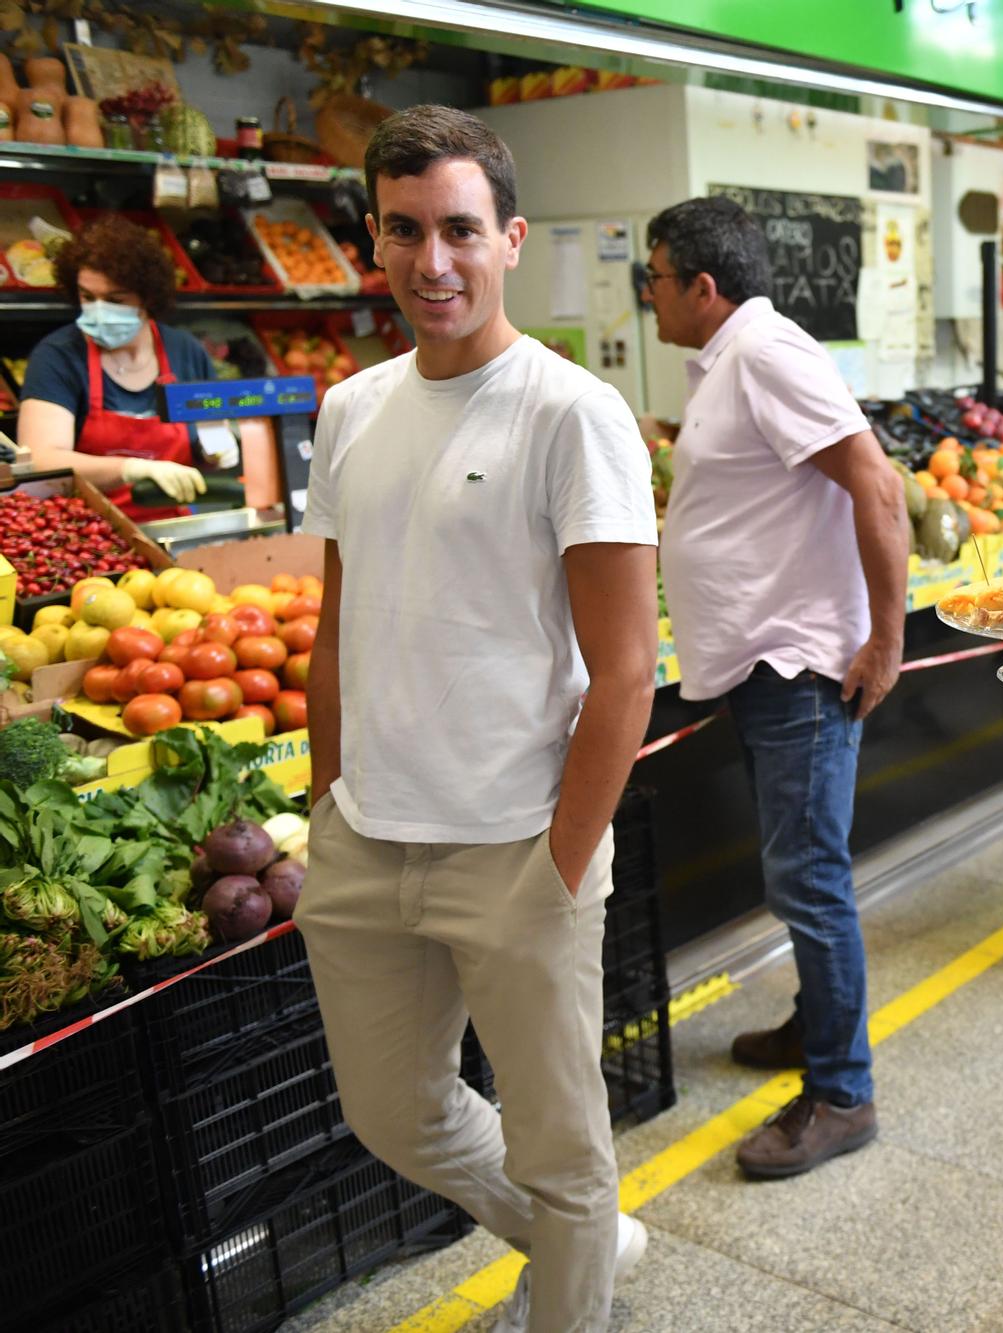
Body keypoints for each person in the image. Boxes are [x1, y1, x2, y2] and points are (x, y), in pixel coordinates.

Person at [295, 107, 659, 1333]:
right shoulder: (348, 410)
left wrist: (560, 860)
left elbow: (624, 671)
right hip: (366, 840)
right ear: (375, 240)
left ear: (508, 240)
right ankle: (584, 1250)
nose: (430, 262)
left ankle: (574, 1284)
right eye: (403, 231)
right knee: (393, 1110)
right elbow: (340, 623)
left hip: (514, 841)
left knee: (562, 1154)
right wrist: (324, 796)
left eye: (458, 230)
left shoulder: (571, 414)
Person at [647, 196, 908, 1177]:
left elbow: (875, 486)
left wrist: (882, 640)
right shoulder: (730, 362)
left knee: (809, 881)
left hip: (799, 669)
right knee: (797, 877)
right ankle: (814, 1030)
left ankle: (841, 1094)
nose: (649, 294)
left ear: (703, 288)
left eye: (657, 277)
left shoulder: (764, 352)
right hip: (765, 667)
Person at [18, 216, 272, 520]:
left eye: (115, 300)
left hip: (171, 525)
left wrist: (214, 450)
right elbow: (42, 459)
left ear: (147, 297)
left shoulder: (186, 352)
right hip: (85, 536)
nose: (98, 310)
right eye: (88, 297)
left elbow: (206, 435)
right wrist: (129, 468)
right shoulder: (58, 357)